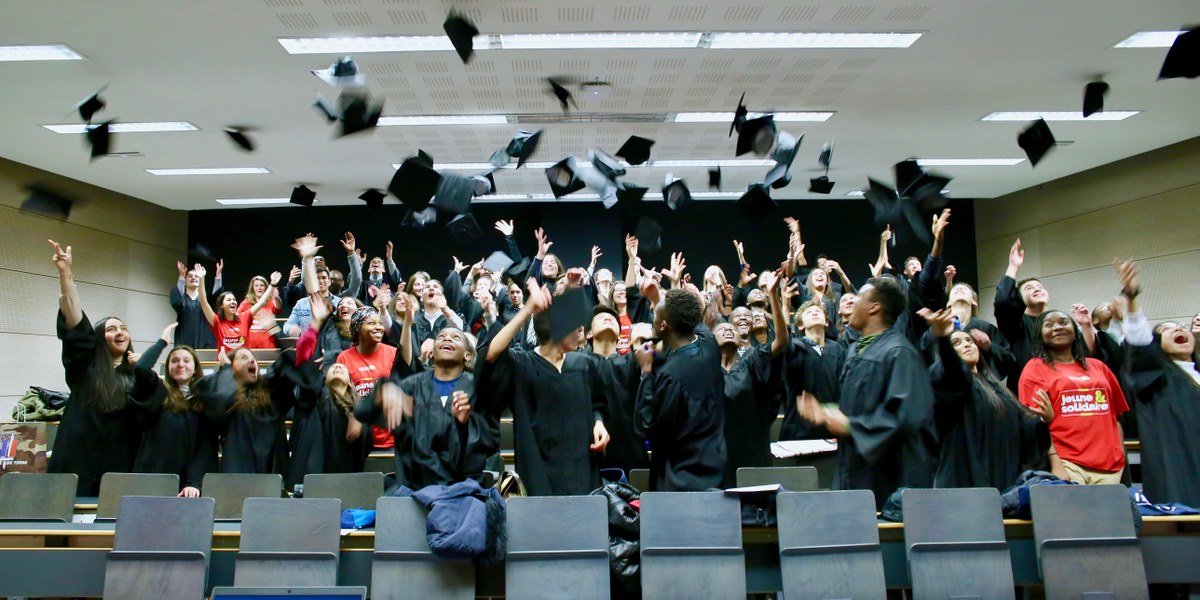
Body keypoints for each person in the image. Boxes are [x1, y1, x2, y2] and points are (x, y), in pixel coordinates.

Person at [797, 276, 938, 509]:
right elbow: (861, 406)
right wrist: (828, 413)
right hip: (855, 471)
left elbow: (906, 417)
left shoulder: (898, 353)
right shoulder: (855, 351)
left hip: (888, 481)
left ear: (874, 307)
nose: (850, 302)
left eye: (859, 297)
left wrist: (851, 425)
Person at [47, 240, 166, 496]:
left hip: (121, 468)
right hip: (78, 463)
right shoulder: (84, 369)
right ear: (99, 339)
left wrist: (144, 372)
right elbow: (75, 325)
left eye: (123, 328)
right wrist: (65, 275)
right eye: (111, 329)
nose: (119, 332)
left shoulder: (139, 377)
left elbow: (156, 408)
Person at [478, 280, 611, 496]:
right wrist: (528, 309)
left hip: (583, 471)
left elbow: (598, 402)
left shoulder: (583, 364)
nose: (580, 331)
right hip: (538, 472)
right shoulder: (522, 364)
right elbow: (491, 353)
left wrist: (599, 423)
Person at [356, 292, 498, 490]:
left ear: (467, 355)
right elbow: (362, 411)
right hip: (415, 491)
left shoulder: (478, 390)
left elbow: (487, 445)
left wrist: (464, 424)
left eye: (455, 337)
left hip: (463, 492)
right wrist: (382, 394)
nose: (447, 339)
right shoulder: (412, 386)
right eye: (441, 337)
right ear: (433, 350)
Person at [922, 308, 1051, 489]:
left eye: (969, 340)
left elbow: (1024, 434)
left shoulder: (998, 388)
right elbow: (953, 374)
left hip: (1004, 480)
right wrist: (943, 339)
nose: (967, 344)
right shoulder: (949, 383)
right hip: (965, 483)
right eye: (957, 343)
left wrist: (1042, 420)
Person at [1114, 258, 1200, 505]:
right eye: (1166, 329)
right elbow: (1140, 344)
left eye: (1181, 326)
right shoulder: (1157, 378)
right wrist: (1132, 298)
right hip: (1184, 472)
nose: (1177, 329)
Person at [1018, 309, 1128, 484]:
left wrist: (1120, 453)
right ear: (1040, 336)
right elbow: (1035, 422)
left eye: (1063, 322)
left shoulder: (1099, 367)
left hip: (1111, 466)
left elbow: (1116, 416)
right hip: (1068, 464)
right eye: (1049, 325)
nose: (1057, 328)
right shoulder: (1035, 368)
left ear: (1076, 333)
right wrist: (1056, 464)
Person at [635, 288, 727, 492]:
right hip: (716, 472)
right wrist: (650, 348)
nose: (652, 317)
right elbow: (669, 337)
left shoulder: (670, 376)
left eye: (655, 315)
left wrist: (646, 371)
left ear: (663, 325)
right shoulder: (709, 343)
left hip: (679, 480)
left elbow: (649, 425)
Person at [717, 272, 790, 484]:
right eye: (722, 328)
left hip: (753, 448)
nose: (729, 330)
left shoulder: (751, 360)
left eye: (731, 329)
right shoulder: (708, 370)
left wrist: (773, 296)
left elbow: (782, 342)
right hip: (719, 454)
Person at [287, 295, 366, 488]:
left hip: (353, 394)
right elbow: (305, 351)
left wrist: (332, 356)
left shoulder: (367, 333)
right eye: (341, 304)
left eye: (350, 302)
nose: (344, 305)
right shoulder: (329, 327)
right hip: (322, 392)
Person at [132, 338, 218, 498]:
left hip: (186, 488)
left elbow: (205, 448)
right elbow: (141, 369)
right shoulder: (157, 392)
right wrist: (162, 342)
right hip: (152, 480)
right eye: (175, 360)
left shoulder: (202, 402)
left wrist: (194, 483)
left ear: (195, 369)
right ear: (168, 367)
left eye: (186, 361)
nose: (180, 364)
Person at [587, 305, 652, 475]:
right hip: (590, 456)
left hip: (632, 457)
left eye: (612, 319)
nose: (607, 318)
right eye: (601, 318)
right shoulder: (579, 363)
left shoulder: (632, 361)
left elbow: (656, 347)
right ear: (589, 333)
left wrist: (643, 340)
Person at [779, 299, 847, 441]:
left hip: (831, 429)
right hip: (799, 431)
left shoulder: (837, 349)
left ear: (827, 323)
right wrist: (785, 307)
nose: (815, 313)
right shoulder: (795, 347)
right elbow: (783, 342)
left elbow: (843, 388)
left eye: (818, 311)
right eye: (809, 312)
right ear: (800, 325)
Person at [336, 305, 397, 450]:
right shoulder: (344, 358)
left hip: (392, 437)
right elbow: (343, 394)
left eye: (380, 323)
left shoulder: (393, 353)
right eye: (371, 323)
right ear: (357, 328)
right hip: (360, 439)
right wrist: (353, 416)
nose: (379, 327)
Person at [994, 238, 1050, 394]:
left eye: (1039, 287)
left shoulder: (1060, 323)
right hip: (1026, 397)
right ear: (1019, 299)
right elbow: (1004, 302)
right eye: (1029, 288)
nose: (1037, 289)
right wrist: (1013, 266)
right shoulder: (1016, 324)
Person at [198, 269, 279, 354]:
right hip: (226, 366)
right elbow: (204, 302)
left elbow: (262, 302)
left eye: (234, 299)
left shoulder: (244, 317)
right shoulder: (217, 322)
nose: (233, 301)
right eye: (229, 300)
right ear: (221, 305)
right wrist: (201, 278)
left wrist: (272, 284)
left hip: (244, 365)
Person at [171, 260, 222, 348]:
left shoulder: (207, 299)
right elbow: (176, 302)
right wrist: (181, 277)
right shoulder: (182, 299)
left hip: (205, 341)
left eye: (196, 276)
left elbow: (217, 295)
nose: (193, 278)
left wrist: (218, 277)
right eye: (190, 276)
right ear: (185, 281)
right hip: (185, 341)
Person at [238, 275, 282, 349]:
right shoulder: (245, 303)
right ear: (252, 288)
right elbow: (237, 318)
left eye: (262, 285)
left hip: (268, 344)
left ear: (266, 287)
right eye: (256, 286)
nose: (259, 288)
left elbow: (278, 308)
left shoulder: (270, 301)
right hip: (250, 345)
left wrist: (276, 297)